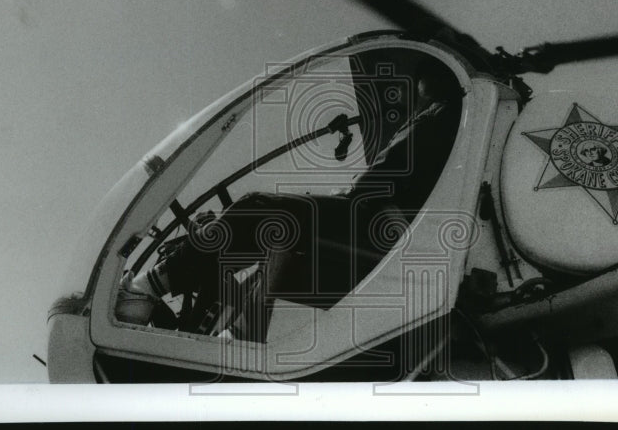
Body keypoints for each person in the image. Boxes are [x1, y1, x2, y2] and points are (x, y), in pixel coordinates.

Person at [115, 57, 463, 338]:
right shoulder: (441, 122)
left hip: (372, 222)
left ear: (427, 85)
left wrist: (338, 197)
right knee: (260, 234)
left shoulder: (437, 117)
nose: (405, 96)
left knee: (256, 207)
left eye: (414, 85)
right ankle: (228, 326)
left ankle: (147, 287)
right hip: (381, 224)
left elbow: (380, 180)